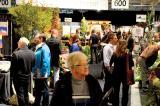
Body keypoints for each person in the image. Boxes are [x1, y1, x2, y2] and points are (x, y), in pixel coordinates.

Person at [11, 37, 35, 106]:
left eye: (18, 42)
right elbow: (33, 65)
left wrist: (12, 78)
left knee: (20, 95)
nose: (17, 43)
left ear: (21, 43)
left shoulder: (16, 54)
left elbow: (13, 68)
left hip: (18, 78)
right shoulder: (32, 53)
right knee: (25, 93)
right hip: (28, 76)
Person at [110, 40, 134, 106]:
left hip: (116, 74)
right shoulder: (128, 54)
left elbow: (110, 64)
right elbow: (131, 64)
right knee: (125, 92)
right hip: (125, 75)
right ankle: (124, 104)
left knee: (116, 92)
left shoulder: (114, 54)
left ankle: (115, 104)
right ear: (125, 45)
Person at [32, 33, 51, 106]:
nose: (35, 39)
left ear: (41, 39)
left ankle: (45, 103)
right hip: (38, 71)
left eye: (37, 38)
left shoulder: (44, 48)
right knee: (38, 89)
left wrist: (44, 73)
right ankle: (37, 102)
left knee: (44, 89)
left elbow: (45, 61)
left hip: (42, 71)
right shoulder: (38, 47)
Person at [102, 33, 117, 105]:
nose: (116, 39)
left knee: (110, 84)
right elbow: (106, 61)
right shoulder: (107, 47)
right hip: (109, 69)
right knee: (108, 84)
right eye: (115, 38)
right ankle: (103, 99)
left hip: (112, 68)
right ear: (111, 39)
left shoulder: (113, 47)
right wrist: (109, 70)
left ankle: (110, 99)